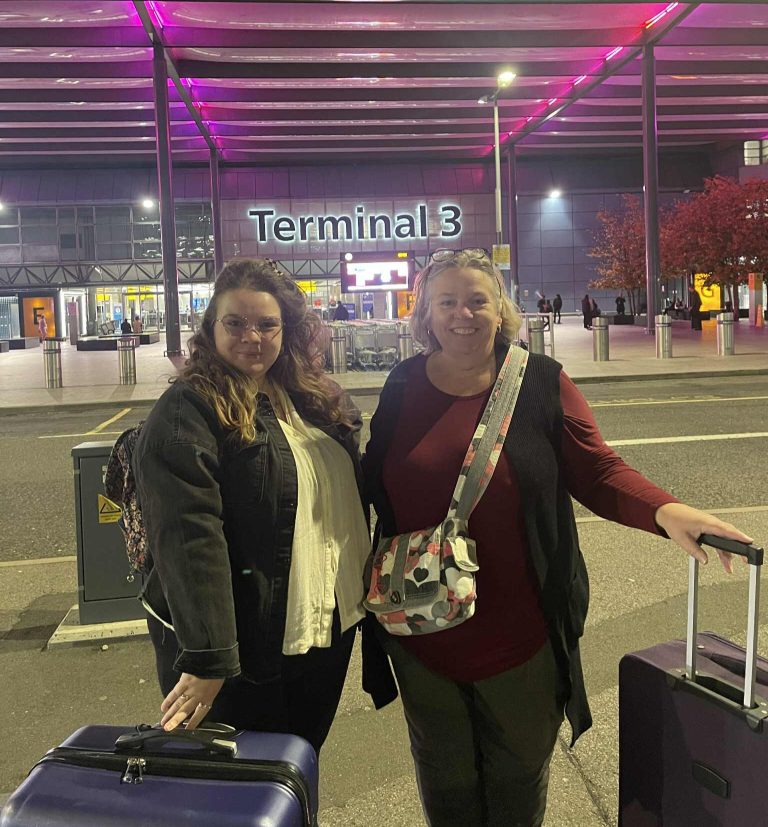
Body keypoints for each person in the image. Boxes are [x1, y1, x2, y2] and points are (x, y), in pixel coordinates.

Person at [361, 248, 752, 827]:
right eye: (447, 301)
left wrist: (667, 512)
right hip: (420, 629)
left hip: (520, 634)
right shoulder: (401, 384)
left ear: (501, 311)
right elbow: (371, 476)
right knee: (443, 780)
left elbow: (595, 469)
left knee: (517, 781)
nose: (462, 314)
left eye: (477, 300)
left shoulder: (539, 382)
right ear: (425, 313)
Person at [133, 258, 379, 754]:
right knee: (238, 787)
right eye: (236, 323)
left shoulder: (313, 396)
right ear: (211, 327)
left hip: (326, 624)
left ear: (286, 329)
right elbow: (188, 535)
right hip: (249, 647)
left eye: (267, 324)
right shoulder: (189, 408)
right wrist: (208, 657)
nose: (253, 336)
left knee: (294, 769)